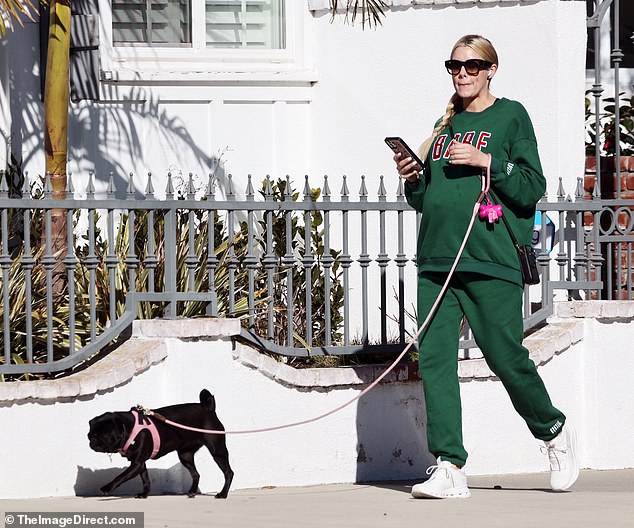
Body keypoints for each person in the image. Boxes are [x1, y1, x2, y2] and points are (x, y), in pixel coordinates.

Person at [394, 34, 579, 499]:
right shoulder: (444, 125)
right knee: (434, 361)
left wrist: (486, 160)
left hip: (491, 258)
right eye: (454, 66)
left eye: (472, 66)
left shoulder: (510, 115)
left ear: (491, 69)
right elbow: (426, 199)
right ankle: (449, 465)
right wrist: (414, 178)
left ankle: (553, 431)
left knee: (504, 355)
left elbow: (531, 185)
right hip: (437, 260)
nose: (462, 73)